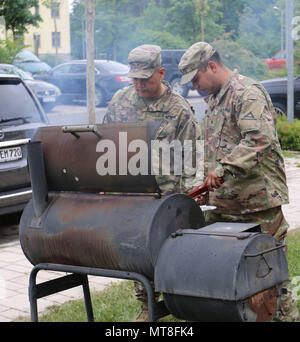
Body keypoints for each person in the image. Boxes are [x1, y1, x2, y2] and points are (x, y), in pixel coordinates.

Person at [179, 41, 299, 322]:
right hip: (226, 205)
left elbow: (259, 140)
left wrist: (222, 170)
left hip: (257, 205)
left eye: (196, 79)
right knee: (234, 277)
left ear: (211, 66)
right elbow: (212, 150)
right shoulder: (214, 99)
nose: (195, 87)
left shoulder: (246, 93)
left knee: (269, 275)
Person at [103, 44, 202, 322]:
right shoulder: (120, 100)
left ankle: (184, 303)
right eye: (134, 78)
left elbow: (193, 158)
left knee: (172, 255)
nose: (139, 85)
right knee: (137, 252)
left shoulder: (178, 109)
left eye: (145, 79)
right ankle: (147, 305)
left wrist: (188, 201)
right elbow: (105, 141)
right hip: (133, 196)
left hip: (167, 200)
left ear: (161, 73)